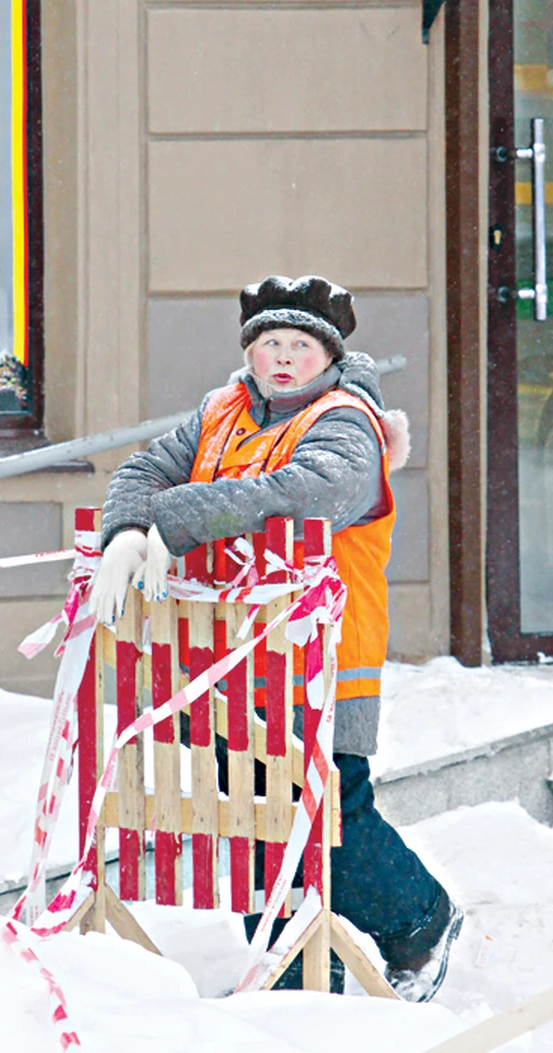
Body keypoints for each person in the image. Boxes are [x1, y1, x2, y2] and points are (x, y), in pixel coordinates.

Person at [91, 275, 462, 1001]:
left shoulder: (347, 421)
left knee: (330, 810)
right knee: (254, 813)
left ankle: (420, 921)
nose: (283, 358)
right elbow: (143, 467)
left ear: (327, 354)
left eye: (299, 344)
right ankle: (292, 976)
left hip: (319, 660)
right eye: (269, 344)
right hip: (230, 663)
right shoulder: (221, 413)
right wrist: (128, 529)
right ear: (250, 353)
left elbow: (303, 493)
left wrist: (180, 517)